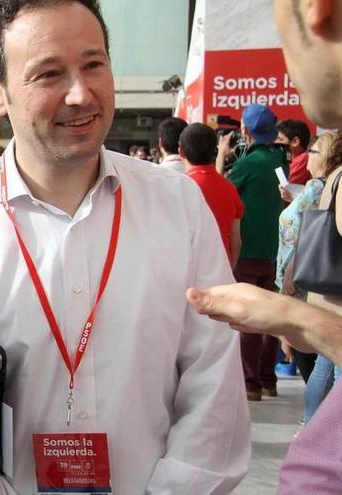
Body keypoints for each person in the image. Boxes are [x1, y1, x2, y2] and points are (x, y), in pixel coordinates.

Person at [0, 1, 250, 494]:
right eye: (49, 74)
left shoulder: (177, 204)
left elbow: (214, 384)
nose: (80, 93)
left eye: (94, 64)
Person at [190, 1, 342, 492]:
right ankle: (266, 381)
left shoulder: (242, 166)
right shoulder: (282, 161)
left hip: (263, 263)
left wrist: (302, 321)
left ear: (317, 12)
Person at [217, 103, 288, 401]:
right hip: (274, 249)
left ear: (245, 129)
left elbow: (220, 188)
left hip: (248, 250)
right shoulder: (279, 158)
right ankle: (268, 379)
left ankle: (250, 382)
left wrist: (222, 155)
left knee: (247, 318)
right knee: (270, 317)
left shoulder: (248, 164)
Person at [276, 131, 341, 421]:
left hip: (312, 279)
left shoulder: (319, 186)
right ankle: (316, 429)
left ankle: (313, 428)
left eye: (314, 153)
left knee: (327, 364)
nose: (307, 158)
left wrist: (290, 271)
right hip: (316, 279)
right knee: (327, 363)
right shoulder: (319, 186)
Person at [179, 123, 243, 266]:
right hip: (221, 272)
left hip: (188, 274)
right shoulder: (230, 188)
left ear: (181, 152)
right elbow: (236, 242)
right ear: (215, 150)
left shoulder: (179, 188)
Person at [277, 119, 313, 186]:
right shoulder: (286, 159)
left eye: (280, 139)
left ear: (295, 142)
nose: (275, 142)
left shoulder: (304, 158)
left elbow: (282, 185)